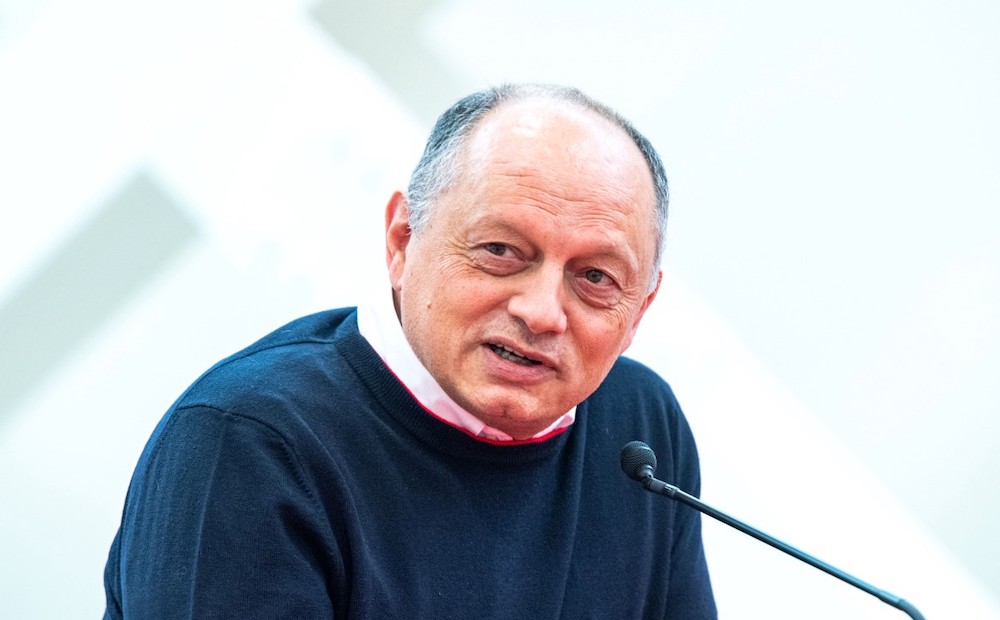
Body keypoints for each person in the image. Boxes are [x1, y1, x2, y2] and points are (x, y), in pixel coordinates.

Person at [103, 83, 717, 619]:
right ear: (402, 241)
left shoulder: (638, 429)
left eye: (595, 278)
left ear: (640, 310)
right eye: (501, 251)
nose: (541, 312)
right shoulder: (249, 442)